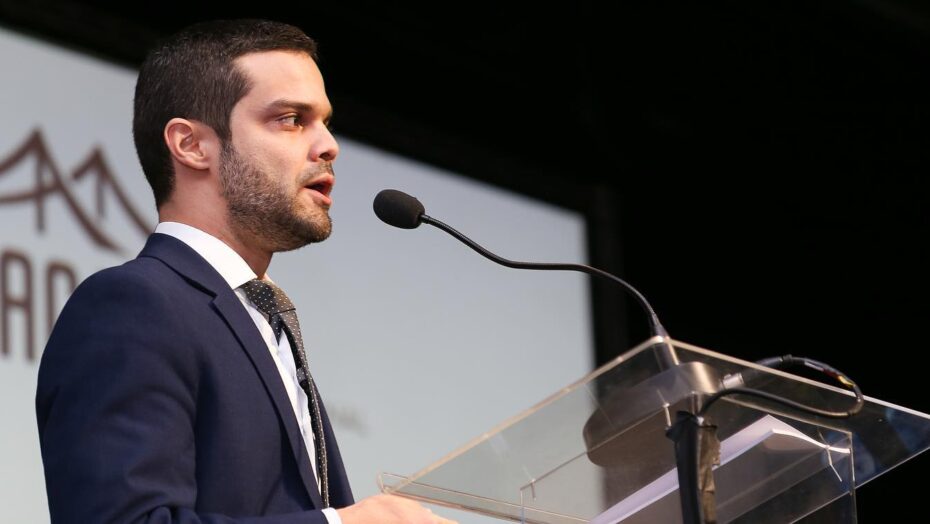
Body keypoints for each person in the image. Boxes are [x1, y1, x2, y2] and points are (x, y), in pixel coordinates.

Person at [35, 18, 454, 524]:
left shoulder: (262, 313)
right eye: (291, 119)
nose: (328, 144)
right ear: (192, 145)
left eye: (324, 120)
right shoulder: (133, 305)